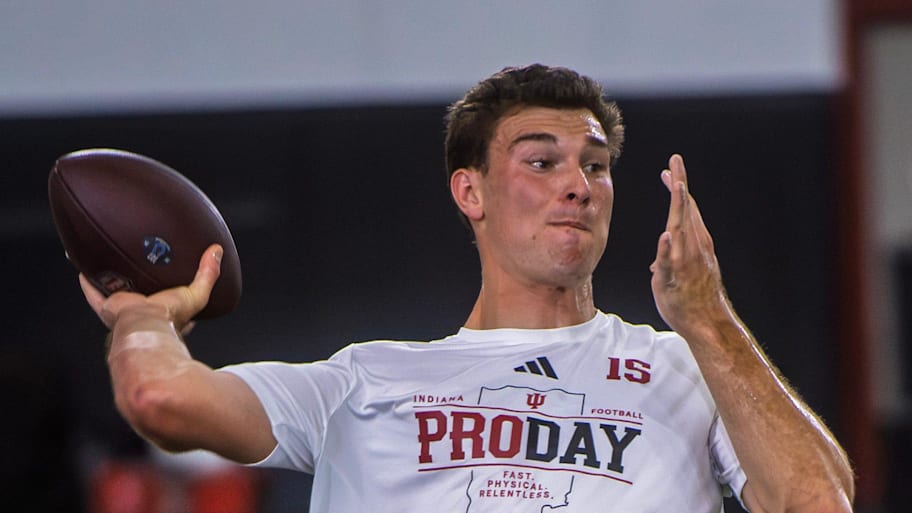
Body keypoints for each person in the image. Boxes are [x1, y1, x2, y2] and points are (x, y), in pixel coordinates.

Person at [81, 64, 854, 512]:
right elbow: (160, 398)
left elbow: (818, 501)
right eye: (542, 162)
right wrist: (144, 315)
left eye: (594, 166)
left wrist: (708, 320)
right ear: (470, 191)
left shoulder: (682, 367)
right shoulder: (360, 382)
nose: (578, 185)